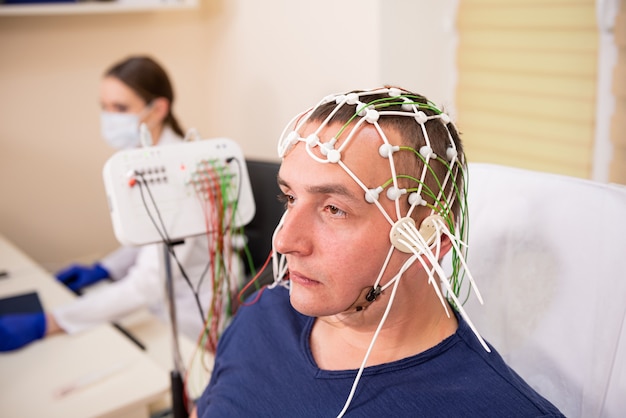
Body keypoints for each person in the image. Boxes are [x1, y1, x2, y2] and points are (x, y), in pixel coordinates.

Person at [190, 87, 565, 417]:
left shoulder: (498, 409)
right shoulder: (262, 315)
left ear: (429, 241)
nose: (284, 241)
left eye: (334, 209)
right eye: (289, 197)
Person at [0, 56, 241, 351]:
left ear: (158, 109)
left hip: (189, 314)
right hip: (155, 299)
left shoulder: (182, 171)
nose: (110, 116)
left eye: (121, 108)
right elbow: (148, 237)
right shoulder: (140, 157)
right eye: (105, 107)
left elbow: (150, 281)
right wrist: (104, 269)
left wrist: (51, 321)